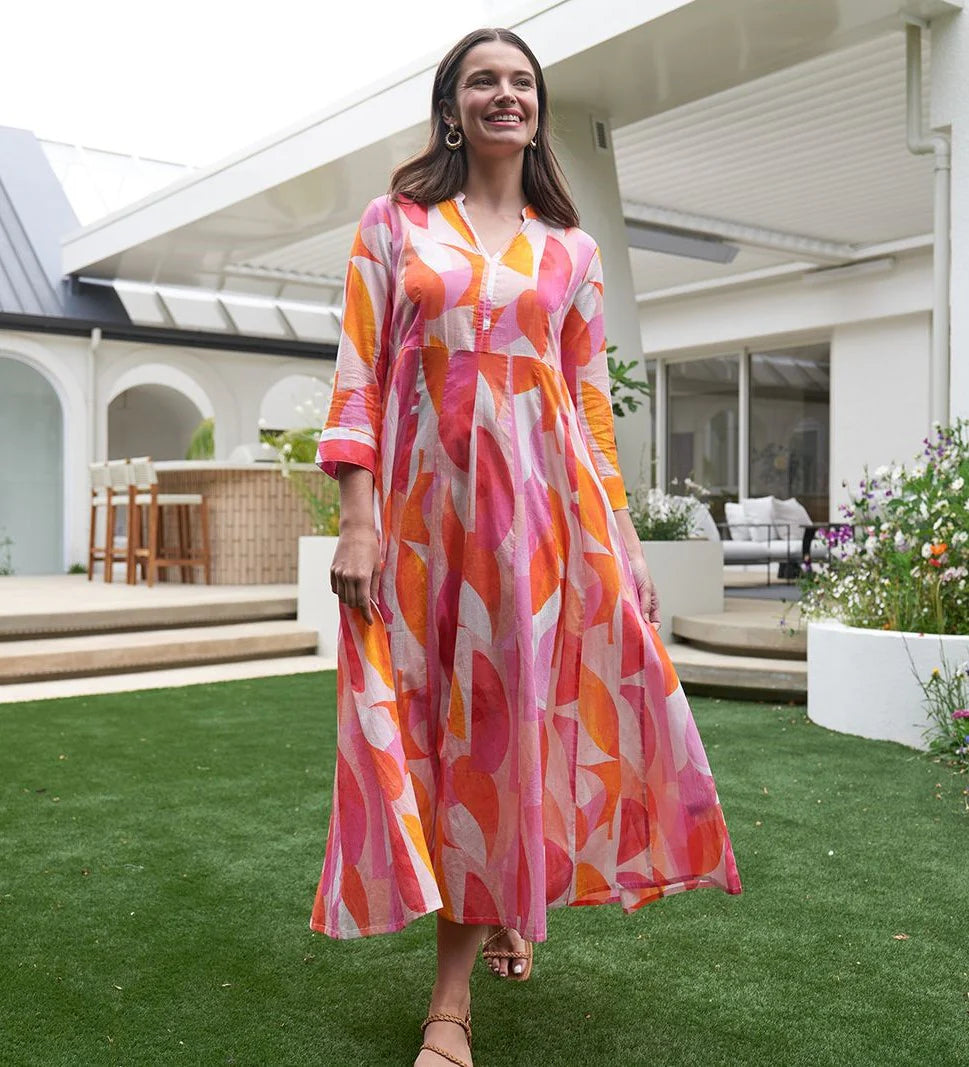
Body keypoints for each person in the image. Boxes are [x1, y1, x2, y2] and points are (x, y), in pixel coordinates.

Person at [310, 27, 742, 1067]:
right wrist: (359, 519)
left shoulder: (574, 251)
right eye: (482, 81)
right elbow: (359, 374)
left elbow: (589, 409)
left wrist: (624, 535)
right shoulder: (395, 225)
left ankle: (449, 1004)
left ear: (536, 106)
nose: (506, 94)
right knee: (427, 727)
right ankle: (502, 898)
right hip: (425, 527)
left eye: (521, 81)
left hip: (547, 532)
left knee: (508, 733)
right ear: (451, 108)